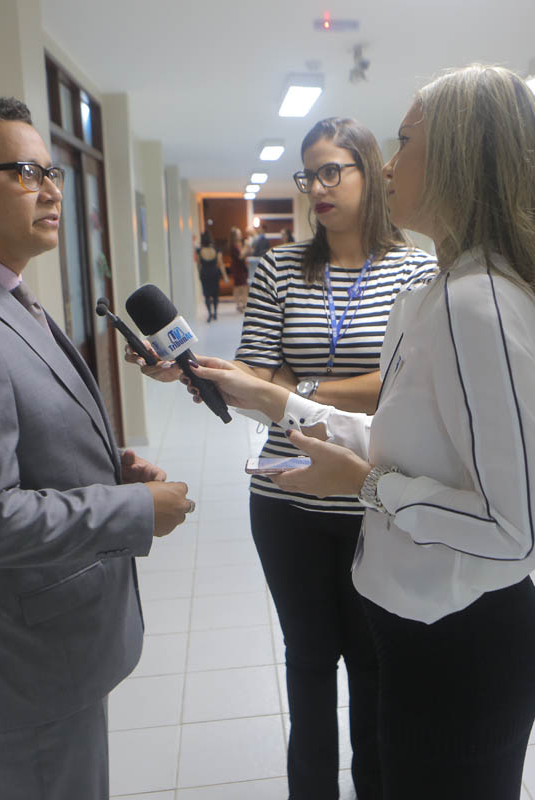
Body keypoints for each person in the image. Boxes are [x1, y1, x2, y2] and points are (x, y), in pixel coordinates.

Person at [182, 65, 535, 799]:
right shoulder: (439, 291)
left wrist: (369, 487)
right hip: (422, 629)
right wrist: (270, 400)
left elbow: (522, 531)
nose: (390, 166)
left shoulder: (475, 303)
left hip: (463, 641)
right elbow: (402, 438)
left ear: (462, 158)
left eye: (404, 144)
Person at [0, 92, 194, 800]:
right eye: (25, 173)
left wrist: (109, 471)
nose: (51, 190)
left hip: (55, 647)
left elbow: (17, 439)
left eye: (52, 172)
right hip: (23, 667)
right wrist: (135, 510)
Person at [129, 116, 436, 799]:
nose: (317, 188)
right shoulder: (280, 267)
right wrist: (195, 371)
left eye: (332, 171)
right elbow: (253, 374)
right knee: (308, 663)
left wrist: (294, 388)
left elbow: (406, 381)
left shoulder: (416, 269)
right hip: (286, 497)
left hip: (373, 494)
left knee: (375, 666)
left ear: (369, 172)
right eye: (308, 175)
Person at [196, 231, 225, 321]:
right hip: (214, 273)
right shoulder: (216, 250)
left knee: (207, 295)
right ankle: (215, 312)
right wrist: (225, 276)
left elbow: (198, 264)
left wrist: (199, 274)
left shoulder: (199, 251)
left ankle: (209, 314)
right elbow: (220, 263)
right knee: (215, 294)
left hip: (204, 273)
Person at [227, 226, 249, 311]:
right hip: (238, 268)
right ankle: (240, 304)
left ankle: (242, 303)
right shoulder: (234, 246)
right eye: (239, 233)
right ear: (235, 236)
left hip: (241, 267)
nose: (240, 234)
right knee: (240, 286)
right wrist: (246, 247)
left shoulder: (238, 244)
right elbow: (240, 256)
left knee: (242, 286)